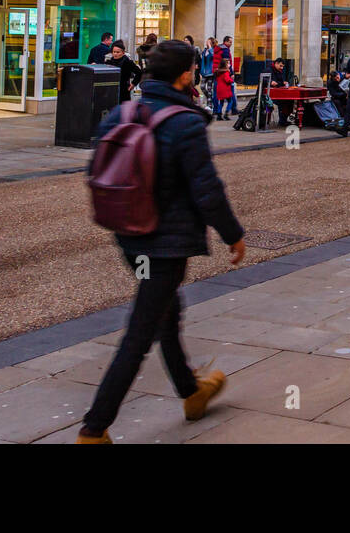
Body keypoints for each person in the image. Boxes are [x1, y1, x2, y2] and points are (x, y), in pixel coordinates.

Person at [77, 41, 246, 444]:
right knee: (140, 333)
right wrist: (233, 234)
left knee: (166, 312)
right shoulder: (184, 121)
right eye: (193, 70)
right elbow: (206, 189)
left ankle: (191, 393)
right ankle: (93, 429)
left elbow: (95, 169)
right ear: (186, 74)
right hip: (165, 242)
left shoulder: (124, 112)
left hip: (128, 235)